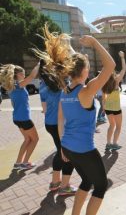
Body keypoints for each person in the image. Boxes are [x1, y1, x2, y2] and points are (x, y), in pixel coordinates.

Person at [37, 26, 115, 215]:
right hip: (84, 150)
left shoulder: (65, 91)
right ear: (84, 71)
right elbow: (110, 66)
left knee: (87, 181)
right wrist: (95, 42)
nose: (90, 71)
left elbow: (60, 119)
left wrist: (62, 147)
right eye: (88, 68)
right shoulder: (86, 91)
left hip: (69, 149)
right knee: (101, 185)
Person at [39, 59, 76, 195]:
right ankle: (64, 186)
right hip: (61, 124)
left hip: (49, 123)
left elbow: (44, 108)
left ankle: (55, 182)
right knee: (68, 153)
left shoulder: (42, 84)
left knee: (61, 151)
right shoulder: (61, 82)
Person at [0, 63, 40, 170]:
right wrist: (38, 64)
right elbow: (32, 77)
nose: (24, 74)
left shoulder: (11, 87)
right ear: (17, 74)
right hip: (24, 118)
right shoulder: (18, 85)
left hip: (17, 118)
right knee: (35, 139)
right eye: (22, 73)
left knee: (27, 139)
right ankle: (25, 163)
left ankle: (18, 163)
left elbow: (14, 104)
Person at [102, 51, 126, 150]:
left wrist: (104, 108)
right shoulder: (116, 80)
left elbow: (103, 98)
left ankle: (108, 144)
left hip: (107, 108)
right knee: (118, 126)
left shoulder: (104, 81)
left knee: (111, 125)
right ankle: (115, 144)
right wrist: (122, 57)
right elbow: (124, 69)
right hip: (116, 108)